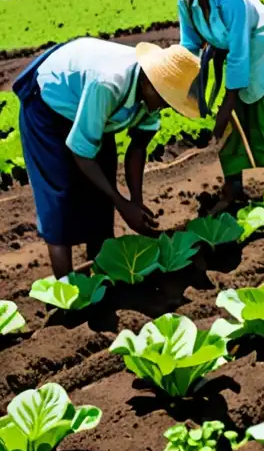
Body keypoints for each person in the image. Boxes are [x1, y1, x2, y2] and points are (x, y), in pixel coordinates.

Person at [14, 38, 200, 278]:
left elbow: (138, 147)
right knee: (60, 199)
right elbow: (80, 152)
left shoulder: (149, 98)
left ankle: (101, 272)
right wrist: (121, 203)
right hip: (48, 106)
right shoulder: (109, 84)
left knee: (101, 195)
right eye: (166, 100)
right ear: (150, 85)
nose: (165, 107)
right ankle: (66, 291)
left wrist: (135, 200)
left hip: (92, 107)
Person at [148, 0, 264, 212]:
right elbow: (189, 46)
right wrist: (182, 85)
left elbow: (240, 52)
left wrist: (229, 101)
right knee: (229, 125)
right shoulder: (186, 2)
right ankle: (234, 189)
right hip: (234, 54)